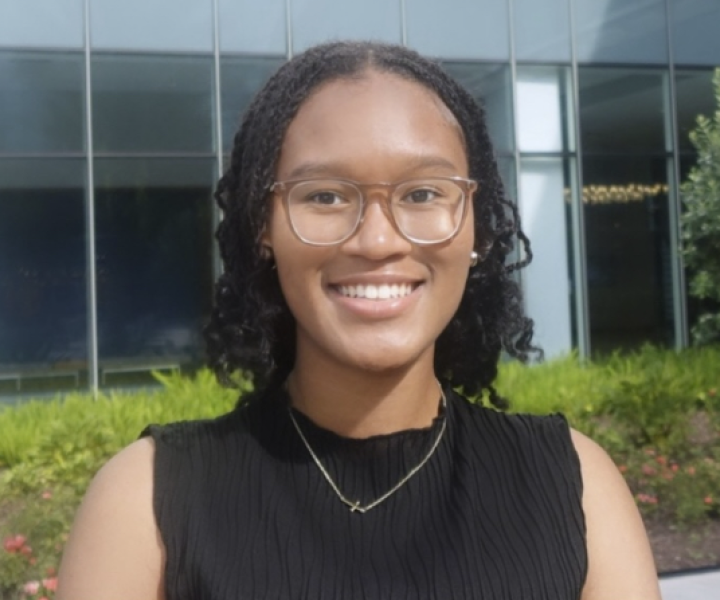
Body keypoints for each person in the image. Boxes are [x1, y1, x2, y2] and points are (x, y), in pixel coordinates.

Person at [57, 41, 660, 599]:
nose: (377, 240)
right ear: (262, 227)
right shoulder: (147, 503)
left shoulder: (575, 484)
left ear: (475, 222)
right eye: (324, 196)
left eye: (423, 194)